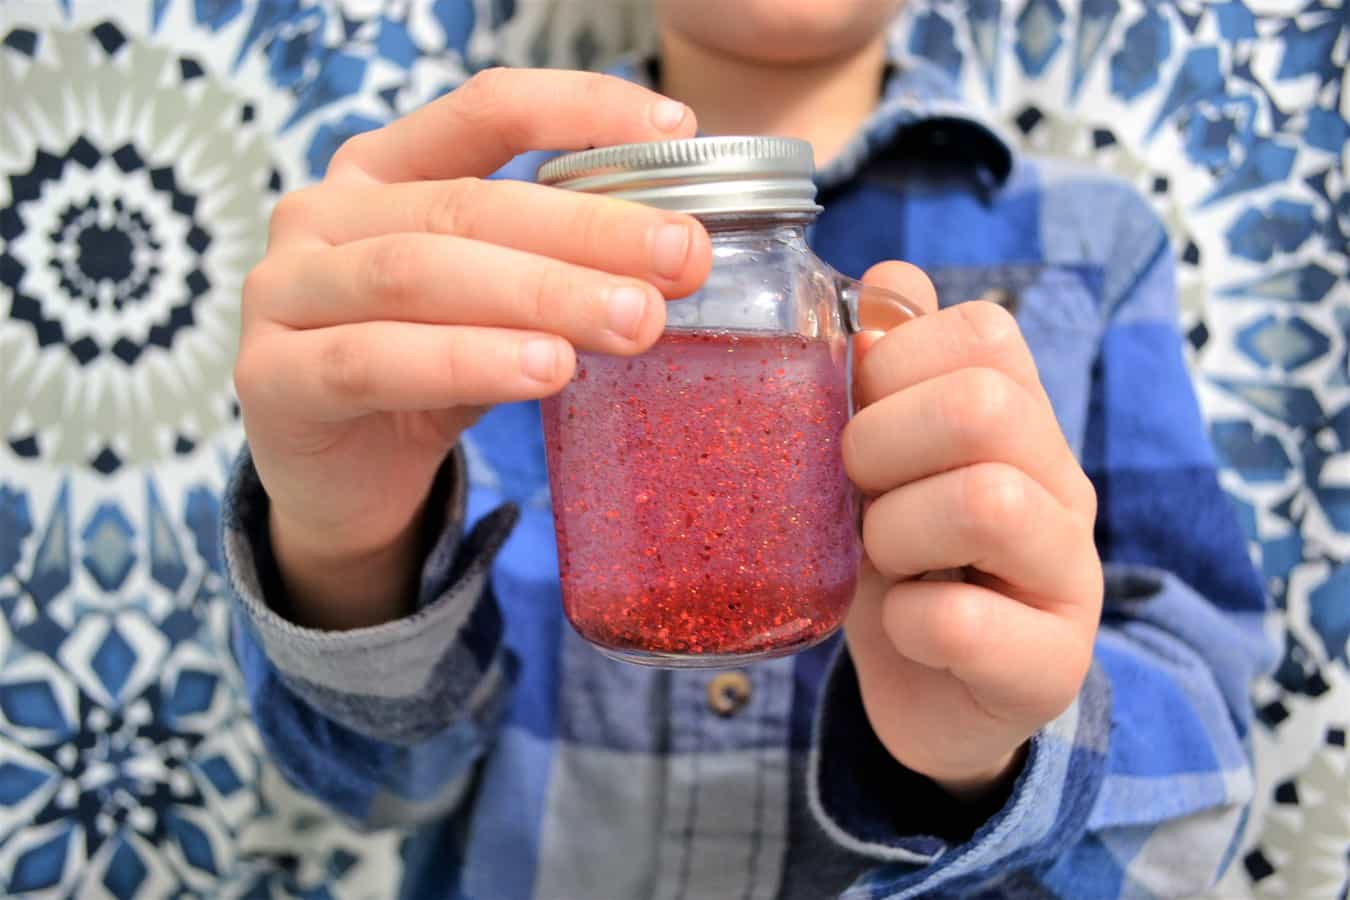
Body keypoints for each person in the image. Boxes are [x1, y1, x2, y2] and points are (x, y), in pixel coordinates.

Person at [225, 0, 1273, 896]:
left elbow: (1207, 786)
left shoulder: (1094, 237)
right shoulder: (457, 255)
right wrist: (345, 554)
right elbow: (382, 789)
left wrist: (988, 755)